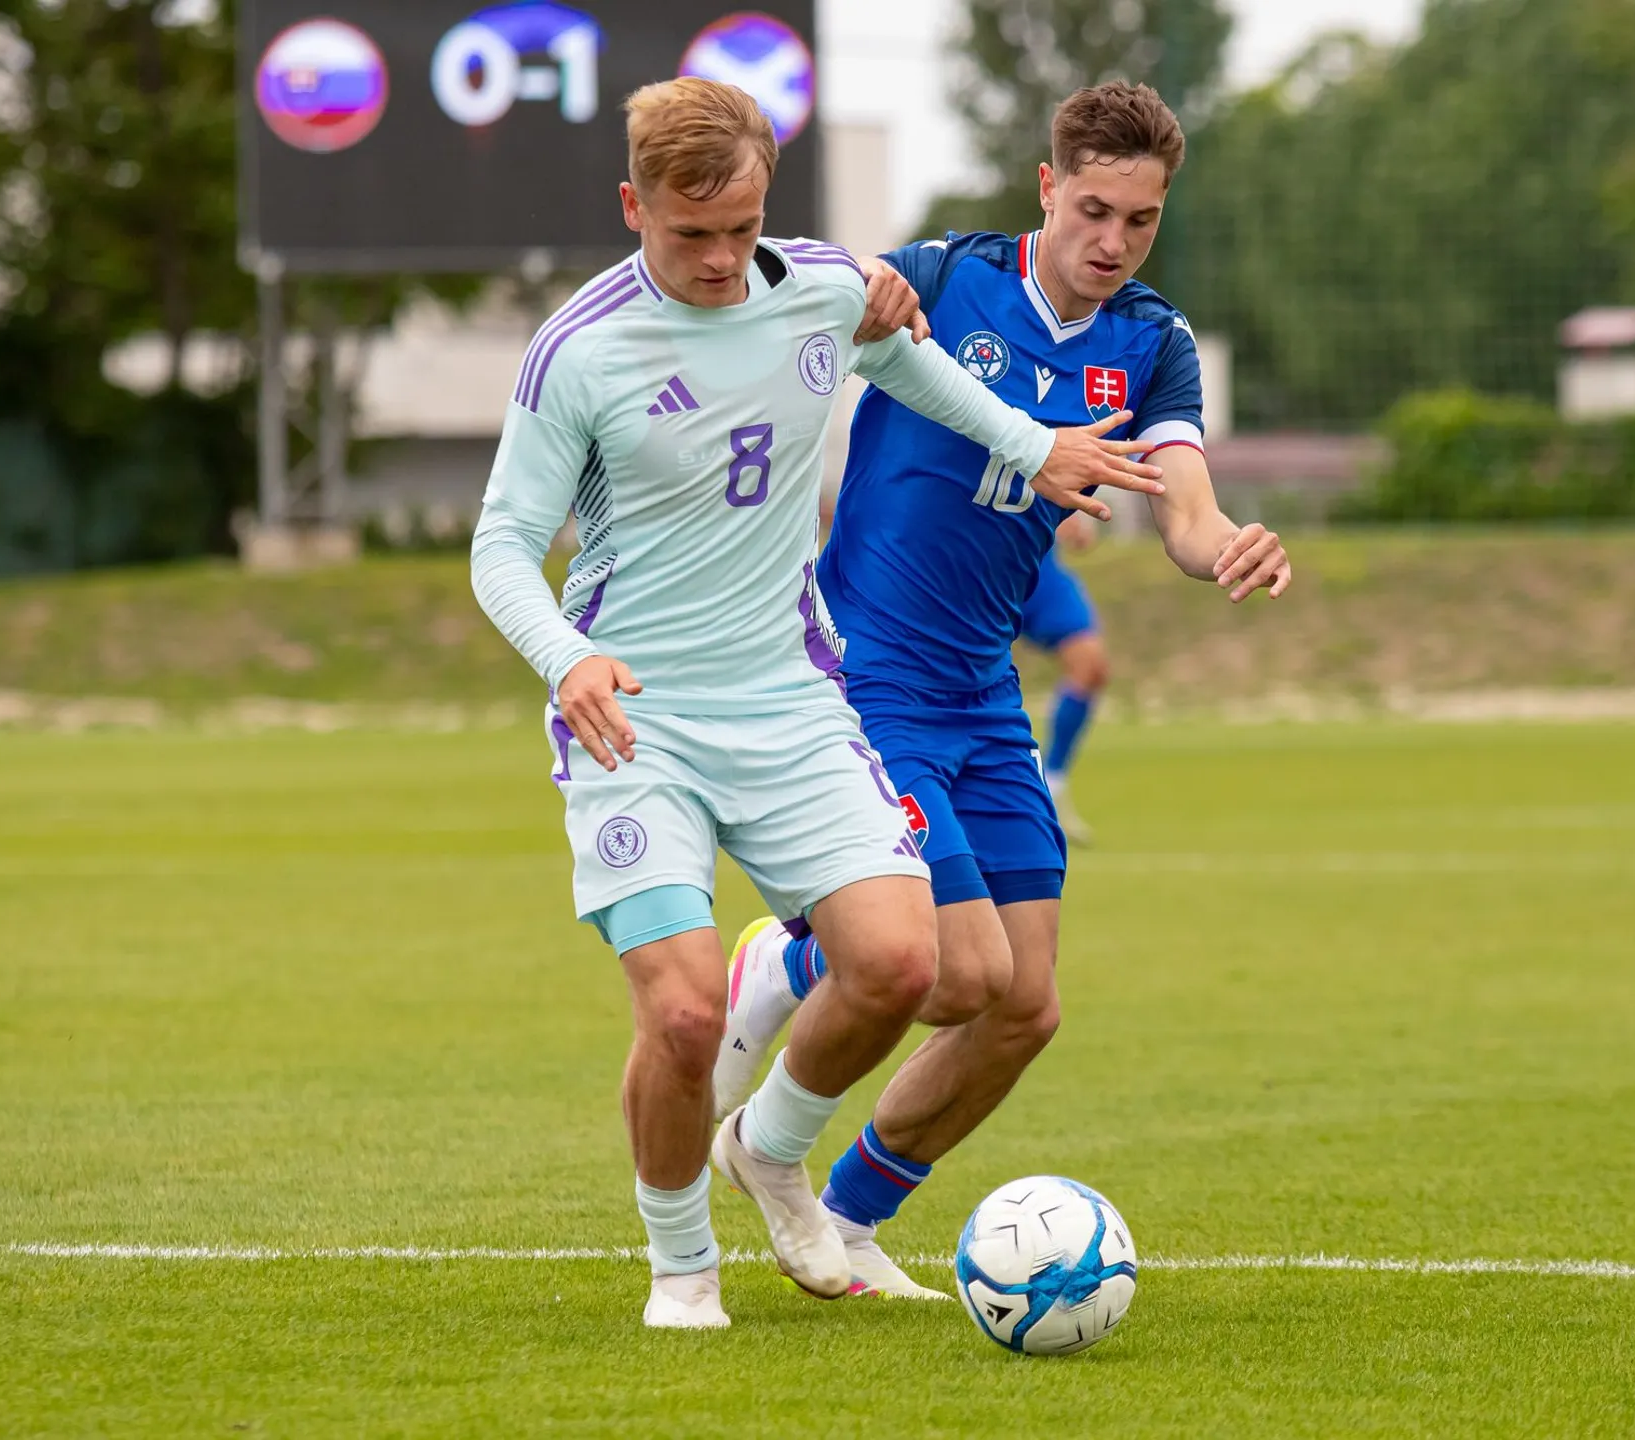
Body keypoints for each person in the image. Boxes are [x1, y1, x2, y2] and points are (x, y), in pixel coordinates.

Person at [468, 78, 1164, 1330]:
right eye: (692, 235)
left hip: (792, 700)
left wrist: (1033, 447)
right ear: (634, 207)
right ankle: (681, 1266)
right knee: (681, 1015)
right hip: (636, 716)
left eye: (744, 228)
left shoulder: (821, 290)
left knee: (907, 968)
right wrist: (564, 655)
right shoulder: (578, 347)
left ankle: (770, 1149)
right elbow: (501, 545)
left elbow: (927, 374)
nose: (726, 259)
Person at [713, 82, 1293, 1299]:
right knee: (952, 971)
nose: (1114, 241)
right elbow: (795, 284)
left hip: (983, 693)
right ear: (1047, 186)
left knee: (1024, 1006)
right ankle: (768, 1136)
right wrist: (860, 284)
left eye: (1141, 220)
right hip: (866, 671)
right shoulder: (948, 277)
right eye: (1094, 208)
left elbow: (1182, 504)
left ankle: (856, 1219)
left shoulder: (1151, 344)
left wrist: (1227, 540)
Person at [1018, 514, 1108, 844]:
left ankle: (1052, 783)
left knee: (1091, 667)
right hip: (975, 561)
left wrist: (1074, 515)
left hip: (1040, 568)